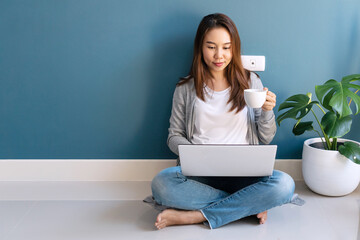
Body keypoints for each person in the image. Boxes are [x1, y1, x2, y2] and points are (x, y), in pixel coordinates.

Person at [149, 13, 298, 230]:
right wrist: (194, 154)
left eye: (226, 47)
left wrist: (267, 111)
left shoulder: (251, 81)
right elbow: (173, 136)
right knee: (161, 184)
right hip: (200, 177)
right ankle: (246, 205)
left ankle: (195, 216)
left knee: (285, 185)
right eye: (211, 47)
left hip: (246, 175)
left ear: (234, 48)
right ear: (200, 47)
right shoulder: (185, 88)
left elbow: (266, 137)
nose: (219, 55)